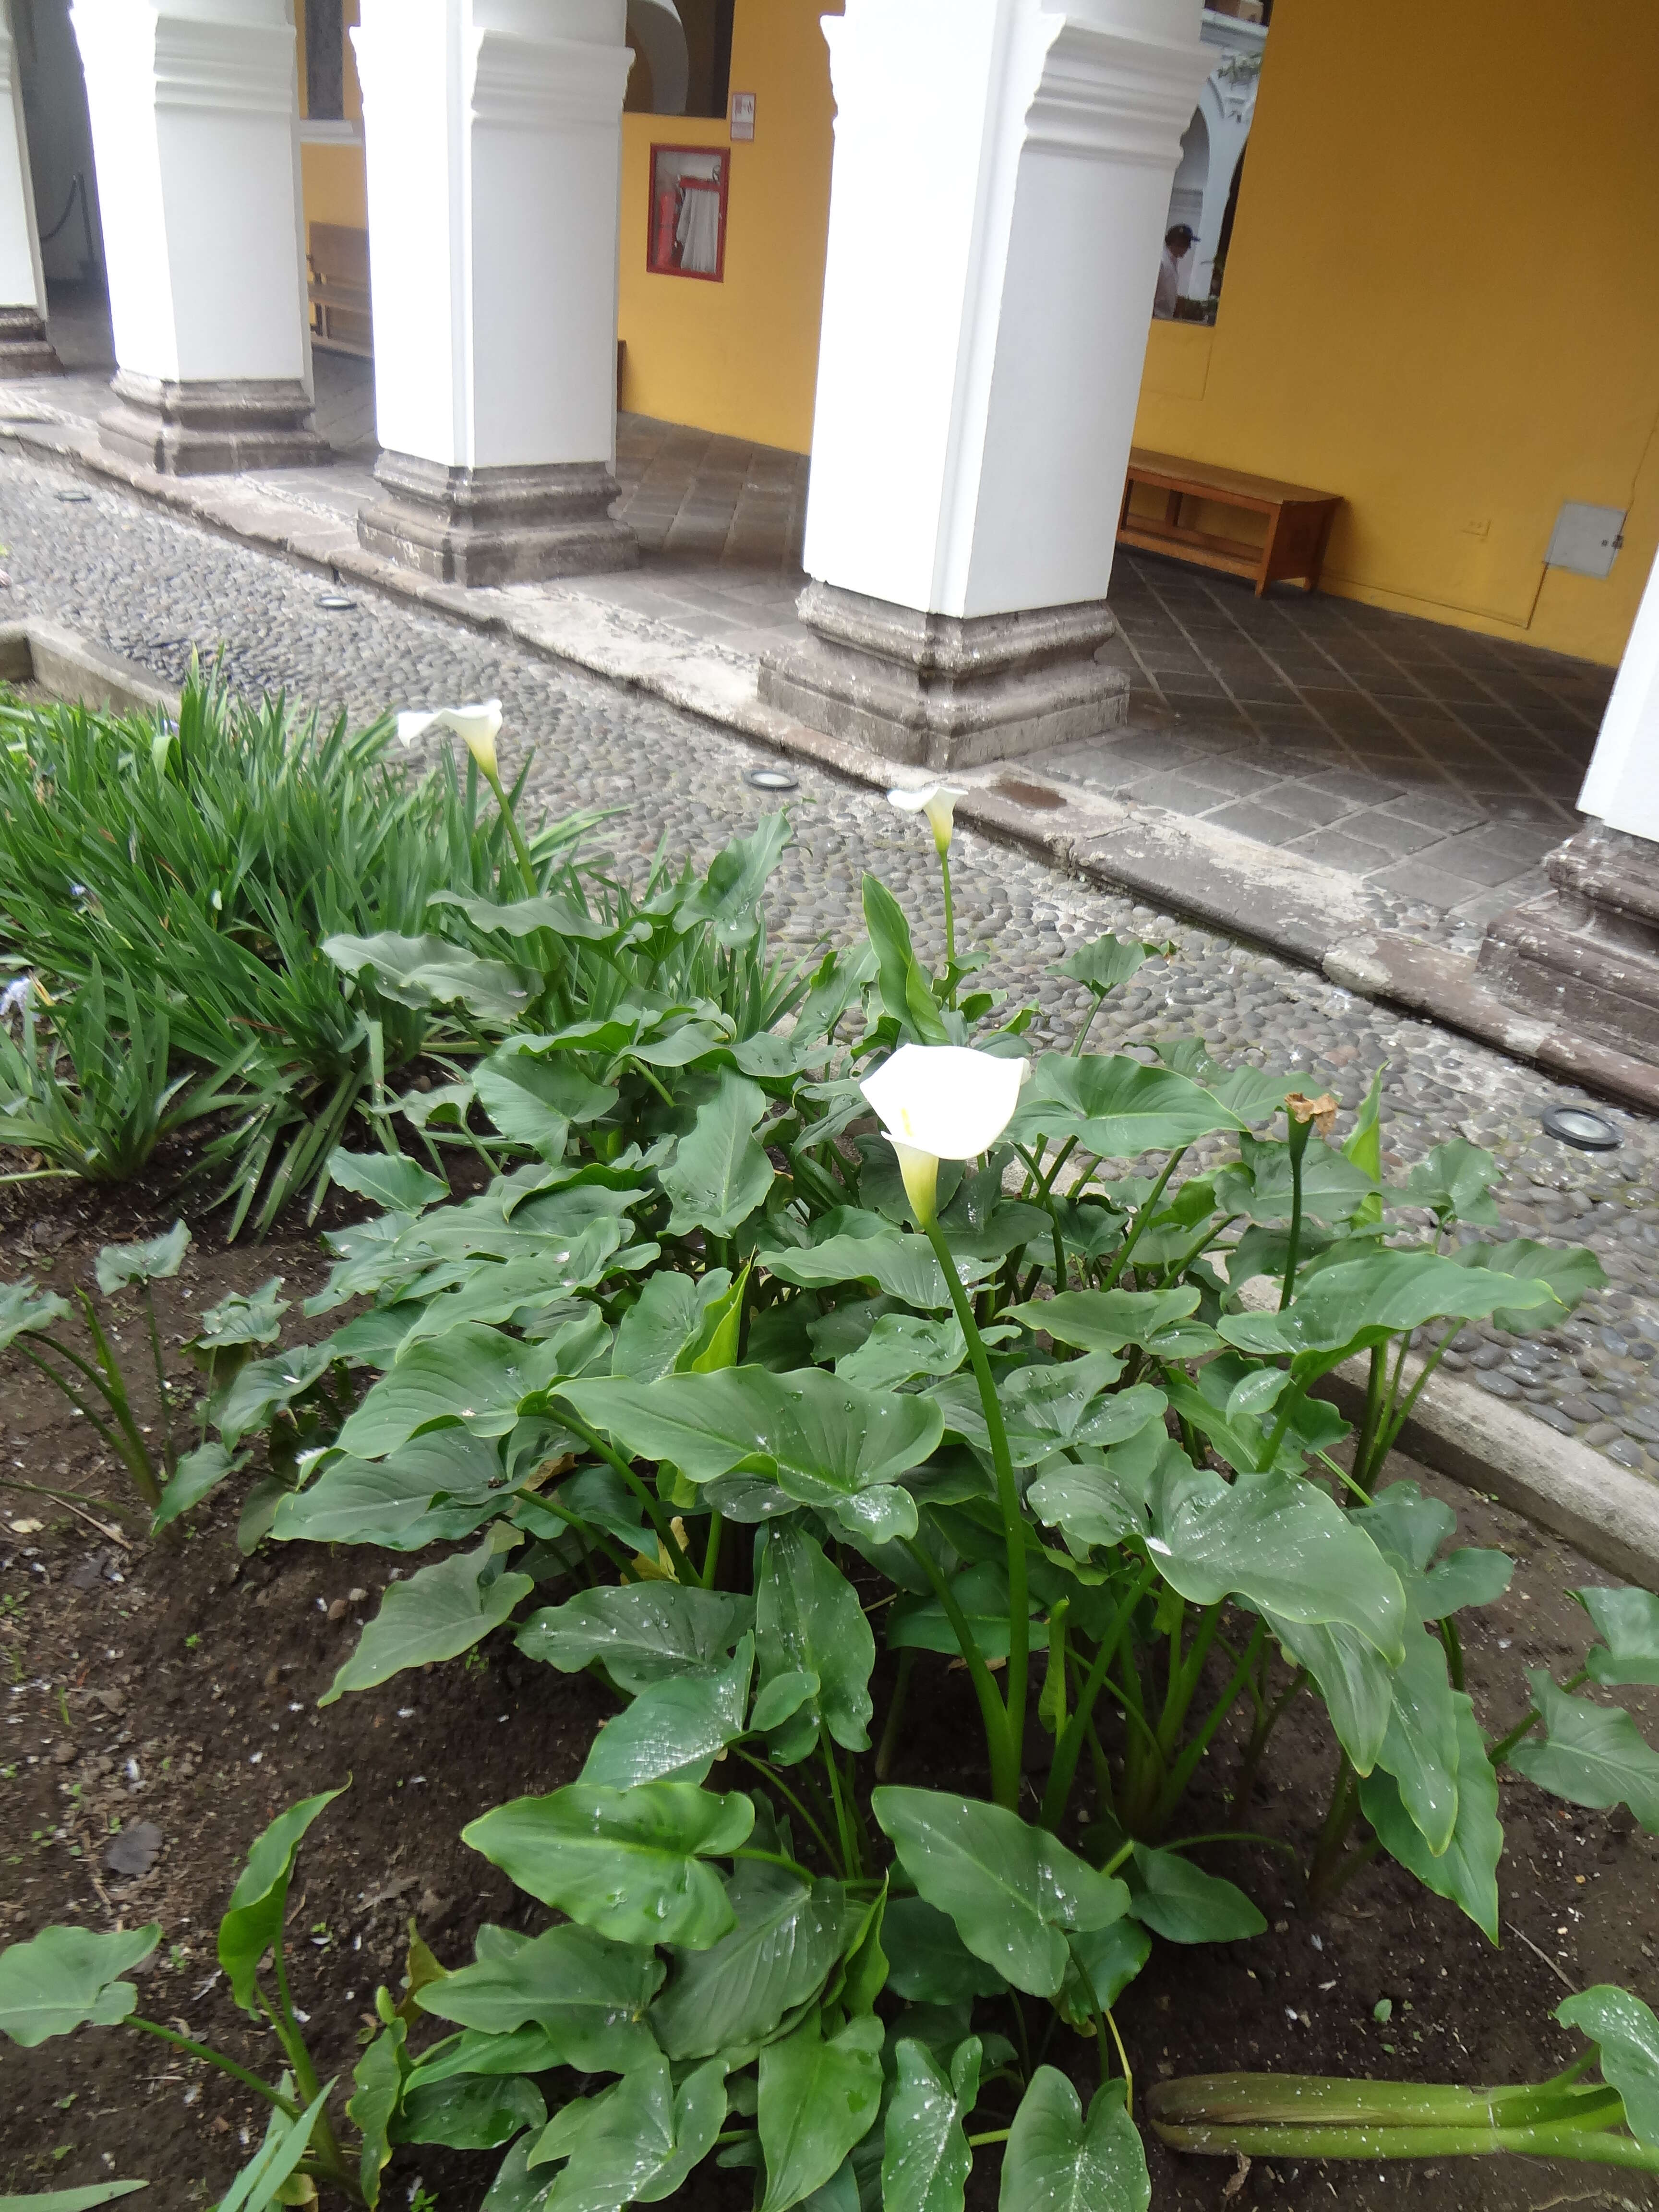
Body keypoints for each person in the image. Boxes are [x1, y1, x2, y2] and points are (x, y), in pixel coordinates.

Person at [1154, 224, 1195, 319]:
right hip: (1156, 316)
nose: (1188, 248)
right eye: (1187, 244)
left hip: (1164, 316)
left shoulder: (1172, 260)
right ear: (1178, 243)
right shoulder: (1162, 262)